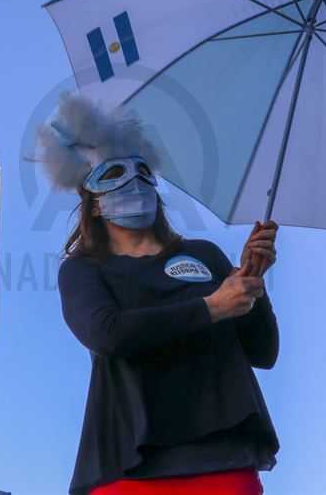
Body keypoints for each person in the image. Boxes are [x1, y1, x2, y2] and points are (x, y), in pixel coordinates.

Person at [27, 91, 280, 495]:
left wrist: (254, 285)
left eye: (143, 171)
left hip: (222, 457)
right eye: (113, 175)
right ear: (93, 205)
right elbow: (107, 333)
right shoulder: (83, 268)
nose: (134, 182)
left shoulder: (205, 255)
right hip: (128, 466)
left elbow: (263, 353)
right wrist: (211, 308)